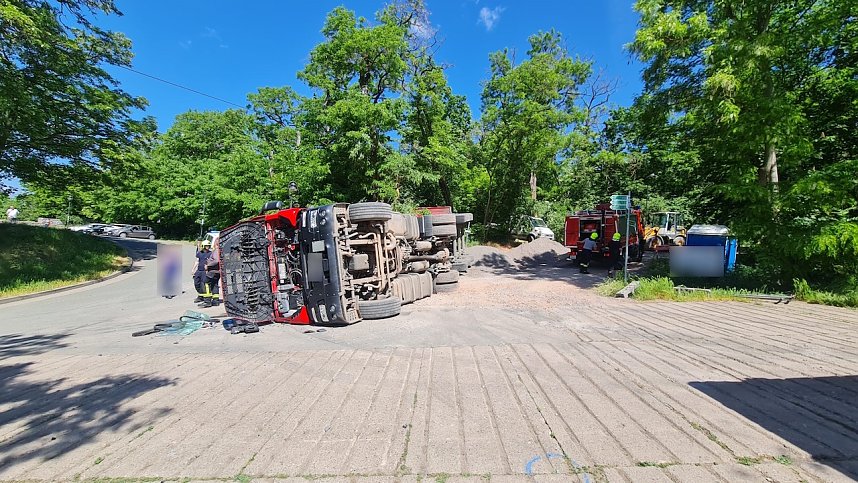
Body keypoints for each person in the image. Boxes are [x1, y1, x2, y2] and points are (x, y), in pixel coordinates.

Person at [203, 242, 221, 307]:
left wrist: (208, 265)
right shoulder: (221, 250)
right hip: (218, 271)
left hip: (212, 271)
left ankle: (207, 301)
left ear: (216, 244)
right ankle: (216, 301)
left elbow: (216, 260)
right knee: (214, 284)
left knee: (206, 283)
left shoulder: (216, 251)